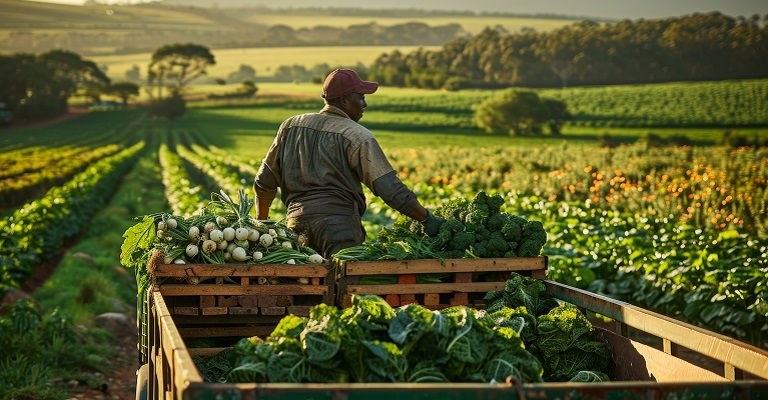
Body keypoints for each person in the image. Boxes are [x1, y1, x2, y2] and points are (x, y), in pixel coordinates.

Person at [253, 68, 444, 259]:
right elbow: (390, 189)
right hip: (339, 228)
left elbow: (264, 181)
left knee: (307, 285)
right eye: (360, 97)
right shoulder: (357, 135)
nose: (365, 104)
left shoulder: (291, 126)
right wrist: (426, 218)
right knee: (341, 284)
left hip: (295, 226)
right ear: (344, 100)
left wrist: (262, 223)